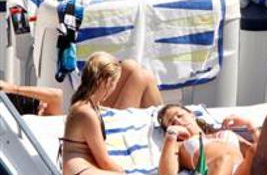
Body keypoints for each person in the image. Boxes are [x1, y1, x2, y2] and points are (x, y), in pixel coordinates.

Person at [61, 52, 171, 175]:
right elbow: (104, 161)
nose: (113, 89)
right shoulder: (86, 113)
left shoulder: (85, 106)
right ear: (105, 81)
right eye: (114, 83)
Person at [0, 58, 162, 116]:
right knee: (142, 77)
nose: (42, 102)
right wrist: (14, 89)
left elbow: (55, 95)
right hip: (106, 132)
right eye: (38, 103)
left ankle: (163, 118)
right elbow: (55, 94)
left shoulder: (46, 115)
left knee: (129, 66)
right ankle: (163, 121)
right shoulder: (44, 119)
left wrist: (12, 89)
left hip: (92, 121)